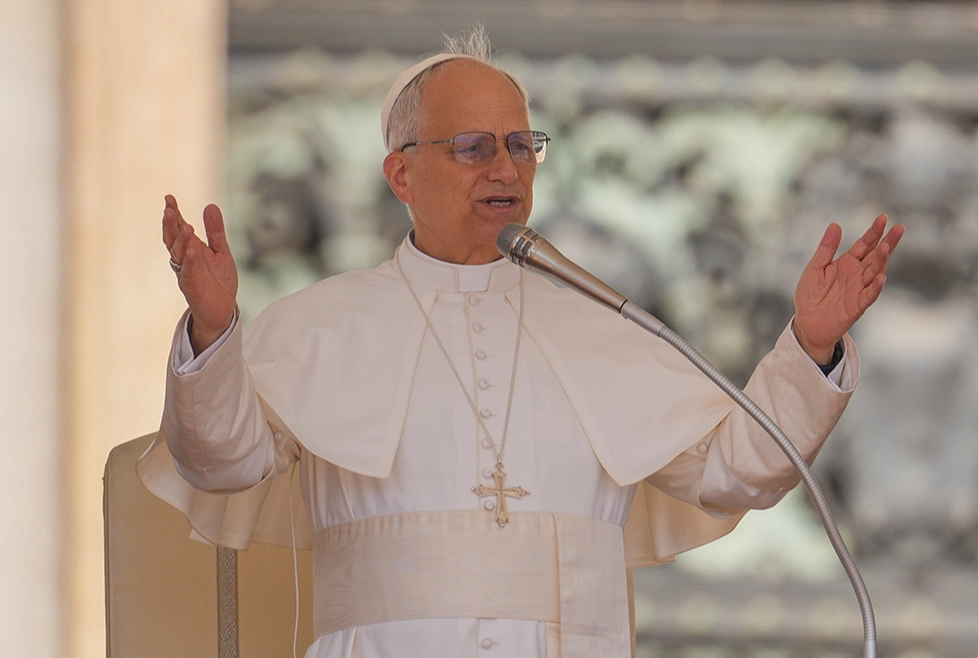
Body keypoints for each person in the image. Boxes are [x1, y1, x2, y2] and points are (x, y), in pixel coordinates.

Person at [138, 28, 903, 658]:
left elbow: (741, 470)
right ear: (401, 175)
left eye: (521, 145)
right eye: (473, 147)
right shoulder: (323, 326)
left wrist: (809, 346)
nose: (506, 168)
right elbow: (221, 461)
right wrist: (213, 329)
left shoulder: (600, 328)